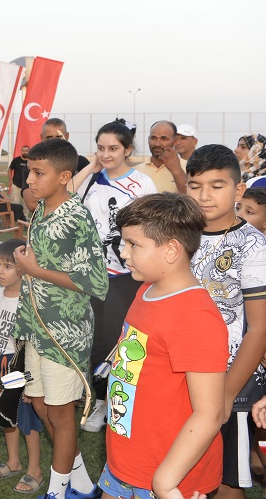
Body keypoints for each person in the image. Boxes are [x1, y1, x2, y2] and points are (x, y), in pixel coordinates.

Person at [98, 192, 228, 499]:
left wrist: (166, 483)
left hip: (166, 474)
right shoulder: (146, 289)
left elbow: (209, 413)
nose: (123, 252)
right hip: (128, 460)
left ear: (171, 250)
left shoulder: (195, 317)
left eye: (133, 244)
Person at [11, 138, 109, 499]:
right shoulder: (39, 210)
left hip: (64, 334)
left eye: (39, 173)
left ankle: (58, 491)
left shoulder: (76, 217)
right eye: (29, 172)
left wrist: (34, 269)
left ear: (65, 176)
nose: (31, 180)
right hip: (37, 329)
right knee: (40, 404)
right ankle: (81, 482)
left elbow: (95, 283)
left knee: (61, 413)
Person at [185, 144, 266, 499]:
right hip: (184, 371)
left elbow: (260, 328)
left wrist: (228, 393)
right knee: (187, 468)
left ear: (238, 190)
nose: (204, 196)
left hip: (232, 379)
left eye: (217, 186)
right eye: (195, 185)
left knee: (227, 478)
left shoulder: (252, 246)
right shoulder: (178, 234)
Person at [72, 121, 156, 433]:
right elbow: (65, 196)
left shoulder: (142, 184)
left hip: (126, 275)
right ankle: (97, 400)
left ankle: (116, 401)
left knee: (116, 341)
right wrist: (92, 166)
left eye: (113, 149)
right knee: (92, 340)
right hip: (90, 273)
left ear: (128, 150)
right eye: (101, 148)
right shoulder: (90, 179)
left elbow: (152, 228)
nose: (106, 154)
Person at [0, 238, 44, 494]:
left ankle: (35, 471)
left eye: (7, 266)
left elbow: (34, 341)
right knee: (6, 415)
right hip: (0, 362)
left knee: (26, 420)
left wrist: (31, 380)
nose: (0, 271)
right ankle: (14, 462)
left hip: (20, 365)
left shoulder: (29, 297)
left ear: (23, 267)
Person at [135, 121, 187, 194]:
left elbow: (190, 198)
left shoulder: (188, 167)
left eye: (164, 138)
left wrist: (177, 171)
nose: (157, 144)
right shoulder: (136, 171)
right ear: (148, 139)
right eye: (153, 138)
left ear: (174, 141)